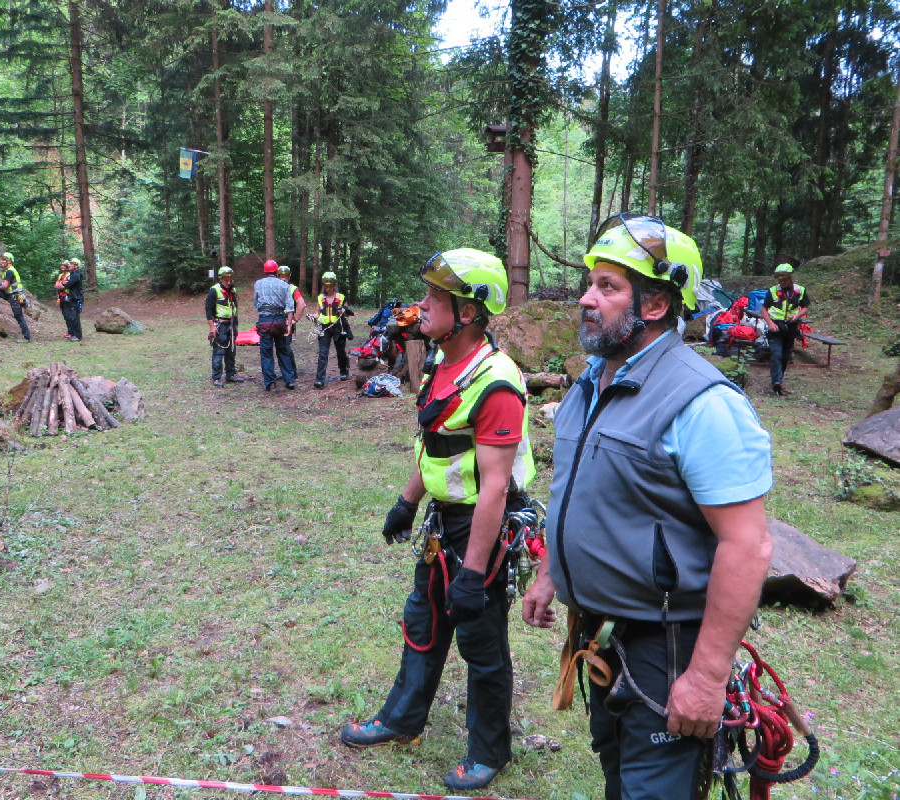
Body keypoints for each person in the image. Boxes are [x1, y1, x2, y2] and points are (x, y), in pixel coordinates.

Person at [521, 213, 774, 800]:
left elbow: (747, 545)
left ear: (656, 303)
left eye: (607, 287)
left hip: (667, 645)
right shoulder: (592, 382)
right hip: (601, 633)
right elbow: (579, 490)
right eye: (591, 284)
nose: (586, 299)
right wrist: (550, 573)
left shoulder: (702, 403)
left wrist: (706, 677)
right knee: (617, 771)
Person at [340, 248, 536, 791]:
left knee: (481, 640)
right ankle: (402, 719)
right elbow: (437, 443)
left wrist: (473, 573)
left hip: (481, 524)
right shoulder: (440, 363)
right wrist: (407, 501)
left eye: (435, 298)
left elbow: (495, 486)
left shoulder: (496, 382)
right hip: (442, 519)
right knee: (423, 620)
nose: (422, 305)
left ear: (467, 313)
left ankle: (490, 751)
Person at [759, 263, 809, 396]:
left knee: (785, 356)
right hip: (775, 327)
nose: (782, 282)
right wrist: (770, 323)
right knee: (776, 354)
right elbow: (763, 309)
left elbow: (805, 307)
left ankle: (779, 379)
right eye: (780, 279)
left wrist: (797, 315)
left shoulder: (800, 290)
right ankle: (776, 382)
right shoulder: (773, 291)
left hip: (790, 327)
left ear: (790, 277)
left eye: (784, 279)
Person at [253, 259, 296, 391]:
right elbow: (290, 307)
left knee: (266, 353)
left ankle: (271, 383)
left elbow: (256, 304)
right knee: (283, 350)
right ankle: (289, 380)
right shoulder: (284, 285)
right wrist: (289, 325)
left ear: (265, 271)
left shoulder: (258, 284)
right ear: (276, 271)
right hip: (280, 321)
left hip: (265, 321)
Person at [205, 266, 246, 387]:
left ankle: (230, 374)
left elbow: (234, 307)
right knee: (219, 351)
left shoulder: (233, 290)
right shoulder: (214, 290)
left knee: (231, 351)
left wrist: (236, 323)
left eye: (230, 279)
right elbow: (208, 309)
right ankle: (216, 378)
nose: (229, 282)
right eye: (226, 280)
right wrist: (212, 327)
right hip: (220, 325)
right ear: (221, 279)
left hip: (231, 325)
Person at [312, 271, 351, 389]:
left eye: (330, 286)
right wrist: (312, 316)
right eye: (326, 286)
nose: (328, 289)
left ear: (334, 285)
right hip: (324, 328)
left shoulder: (341, 297)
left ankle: (343, 371)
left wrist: (343, 310)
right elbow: (317, 313)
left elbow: (347, 313)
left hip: (339, 327)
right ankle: (320, 379)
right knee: (323, 353)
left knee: (340, 351)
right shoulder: (320, 298)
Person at [0, 252, 32, 343]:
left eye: (4, 260)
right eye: (2, 259)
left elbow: (5, 286)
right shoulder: (9, 270)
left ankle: (27, 338)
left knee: (19, 316)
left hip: (14, 297)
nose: (2, 261)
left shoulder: (10, 271)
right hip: (11, 295)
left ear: (9, 261)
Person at [276, 265, 307, 379]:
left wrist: (294, 319)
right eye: (281, 276)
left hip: (286, 321)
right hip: (277, 320)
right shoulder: (276, 288)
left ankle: (292, 372)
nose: (283, 278)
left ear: (289, 277)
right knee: (280, 348)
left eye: (285, 276)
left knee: (285, 347)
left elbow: (301, 304)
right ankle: (286, 372)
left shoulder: (293, 289)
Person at [58, 258, 85, 342]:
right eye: (70, 264)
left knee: (74, 317)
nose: (70, 265)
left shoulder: (76, 275)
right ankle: (73, 333)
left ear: (76, 266)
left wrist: (63, 284)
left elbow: (67, 285)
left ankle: (78, 336)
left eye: (72, 264)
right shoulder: (73, 274)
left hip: (76, 298)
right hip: (72, 297)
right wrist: (63, 283)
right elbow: (64, 284)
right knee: (70, 316)